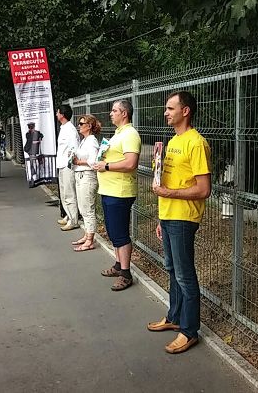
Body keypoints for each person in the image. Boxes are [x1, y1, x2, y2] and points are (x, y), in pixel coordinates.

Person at [148, 91, 211, 354]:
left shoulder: (196, 143)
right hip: (170, 216)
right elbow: (168, 182)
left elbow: (204, 189)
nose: (166, 112)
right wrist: (161, 217)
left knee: (185, 275)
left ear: (185, 111)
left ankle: (189, 331)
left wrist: (170, 195)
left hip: (184, 218)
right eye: (166, 108)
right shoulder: (173, 140)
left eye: (171, 108)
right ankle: (174, 317)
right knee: (172, 268)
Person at [93, 100, 141, 291]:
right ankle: (118, 264)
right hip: (109, 190)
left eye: (114, 111)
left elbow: (130, 163)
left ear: (124, 114)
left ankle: (126, 273)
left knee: (120, 234)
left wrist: (106, 166)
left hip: (120, 192)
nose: (110, 114)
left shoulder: (130, 134)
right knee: (113, 232)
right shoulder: (118, 134)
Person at [72, 114, 101, 251]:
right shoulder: (84, 140)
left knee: (88, 208)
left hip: (87, 176)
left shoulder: (92, 141)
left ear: (89, 126)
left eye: (82, 123)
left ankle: (90, 240)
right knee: (83, 207)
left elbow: (94, 161)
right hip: (80, 175)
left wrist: (78, 162)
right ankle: (87, 234)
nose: (79, 125)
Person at [55, 106, 80, 231]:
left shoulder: (70, 129)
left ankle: (73, 219)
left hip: (67, 166)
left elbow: (74, 148)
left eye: (58, 112)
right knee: (64, 193)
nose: (56, 114)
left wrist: (70, 164)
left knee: (69, 193)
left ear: (62, 114)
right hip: (61, 164)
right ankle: (68, 215)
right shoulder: (63, 128)